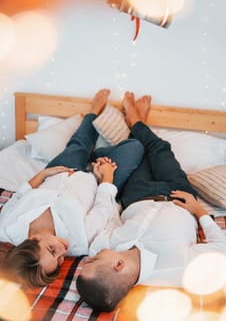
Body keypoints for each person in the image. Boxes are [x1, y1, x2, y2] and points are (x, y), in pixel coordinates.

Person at [76, 91, 226, 312]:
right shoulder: (180, 270)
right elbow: (224, 250)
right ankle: (137, 120)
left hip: (136, 195)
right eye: (92, 262)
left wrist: (110, 185)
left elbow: (109, 214)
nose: (88, 259)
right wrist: (199, 211)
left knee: (139, 151)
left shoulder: (103, 246)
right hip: (178, 193)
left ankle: (137, 122)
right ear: (118, 265)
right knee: (160, 149)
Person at [0, 89, 144, 288]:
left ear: (33, 238)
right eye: (59, 262)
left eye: (52, 250)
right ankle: (102, 155)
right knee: (135, 147)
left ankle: (94, 112)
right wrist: (106, 176)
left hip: (60, 171)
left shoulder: (7, 227)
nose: (63, 251)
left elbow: (19, 195)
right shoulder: (78, 243)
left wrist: (43, 174)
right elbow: (102, 208)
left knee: (78, 145)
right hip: (97, 182)